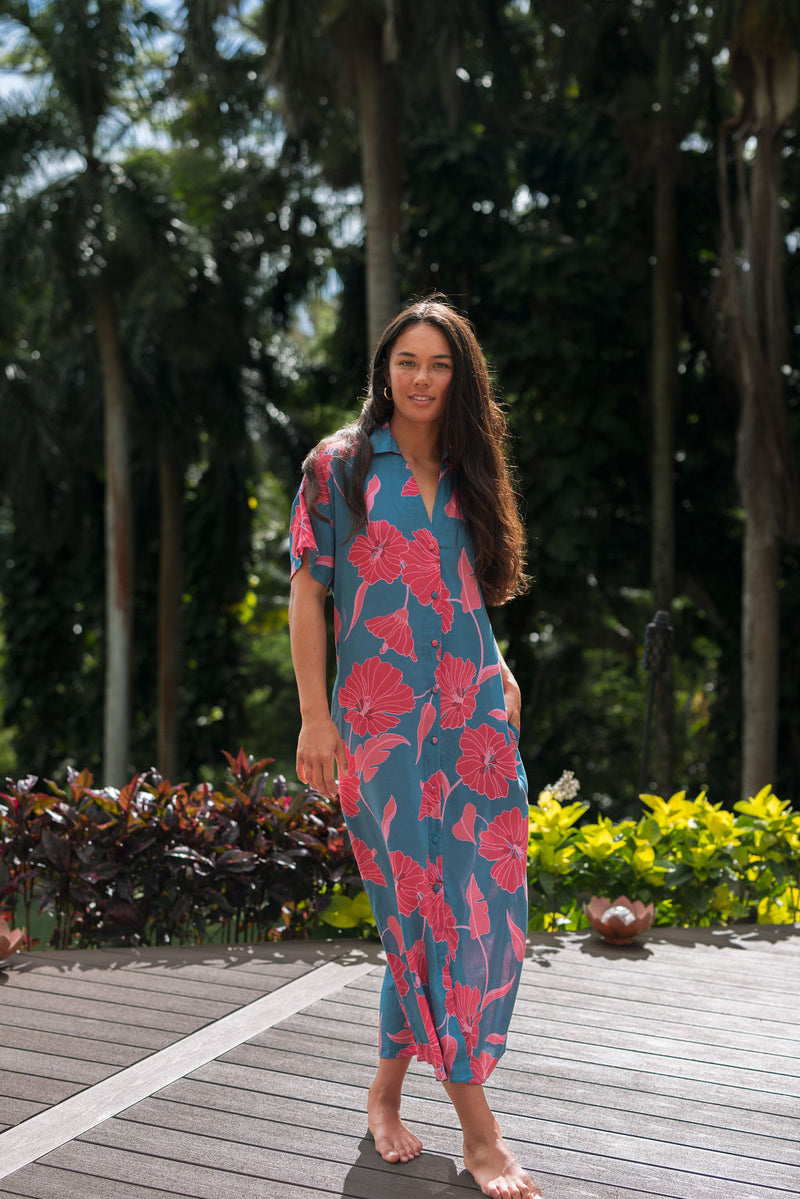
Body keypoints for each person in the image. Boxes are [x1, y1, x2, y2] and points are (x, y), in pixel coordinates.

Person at [288, 296, 540, 1199]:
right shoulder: (342, 467)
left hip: (473, 721)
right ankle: (482, 1132)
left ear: (460, 376)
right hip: (380, 730)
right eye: (408, 362)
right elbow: (308, 593)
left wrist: (500, 664)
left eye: (439, 364)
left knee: (481, 905)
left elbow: (463, 593)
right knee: (422, 912)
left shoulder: (473, 470)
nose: (422, 378)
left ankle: (385, 1095)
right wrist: (315, 717)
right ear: (383, 371)